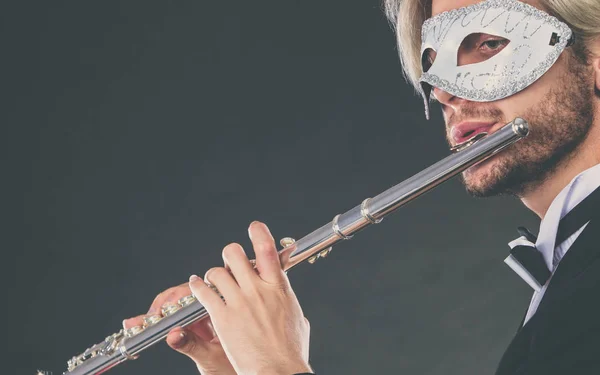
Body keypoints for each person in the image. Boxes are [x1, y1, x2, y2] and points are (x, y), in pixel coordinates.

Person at [124, 0, 600, 373]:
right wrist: (241, 366)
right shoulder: (572, 269)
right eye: (433, 61)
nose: (445, 93)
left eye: (489, 44)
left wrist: (275, 369)